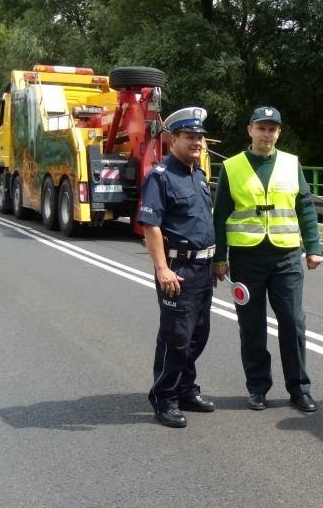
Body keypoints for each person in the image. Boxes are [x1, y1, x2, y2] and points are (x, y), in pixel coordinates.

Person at [212, 106, 322, 412]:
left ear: (279, 133)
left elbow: (306, 207)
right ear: (249, 130)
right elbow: (219, 215)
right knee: (252, 326)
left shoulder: (291, 163)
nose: (266, 134)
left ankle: (299, 388)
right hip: (247, 259)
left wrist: (313, 247)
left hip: (286, 257)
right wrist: (219, 258)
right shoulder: (232, 167)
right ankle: (258, 387)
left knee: (293, 322)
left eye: (272, 129)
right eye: (261, 128)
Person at [138, 106, 216, 428]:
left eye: (199, 137)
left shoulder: (199, 175)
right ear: (173, 140)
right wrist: (162, 269)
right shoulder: (160, 177)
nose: (196, 142)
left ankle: (185, 388)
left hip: (203, 270)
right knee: (176, 337)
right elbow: (151, 226)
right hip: (177, 271)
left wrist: (216, 261)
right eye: (189, 137)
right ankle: (164, 397)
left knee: (199, 335)